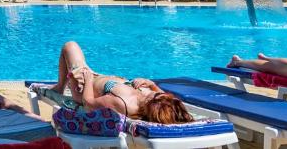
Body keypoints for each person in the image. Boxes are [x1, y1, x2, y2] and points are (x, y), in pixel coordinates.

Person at [52, 41, 193, 123]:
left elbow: (88, 104)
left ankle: (60, 87)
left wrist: (88, 79)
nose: (157, 93)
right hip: (98, 78)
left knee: (69, 46)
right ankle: (62, 84)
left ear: (153, 105)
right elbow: (164, 99)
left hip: (83, 84)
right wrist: (151, 84)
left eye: (156, 95)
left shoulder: (123, 103)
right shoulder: (151, 100)